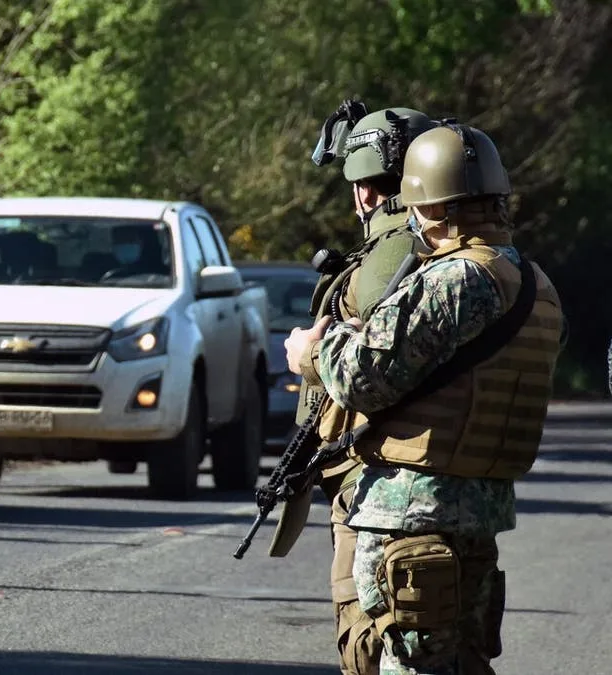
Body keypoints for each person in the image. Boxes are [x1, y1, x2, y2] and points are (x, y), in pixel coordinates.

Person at [285, 122, 564, 673]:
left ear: (428, 205)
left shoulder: (454, 279)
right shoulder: (534, 284)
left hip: (411, 518)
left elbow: (362, 376)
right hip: (478, 513)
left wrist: (310, 353)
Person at [272, 104, 439, 675]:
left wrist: (309, 356)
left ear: (367, 189)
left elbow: (370, 367)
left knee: (370, 643)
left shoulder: (391, 254)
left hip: (377, 477)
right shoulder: (450, 252)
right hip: (409, 473)